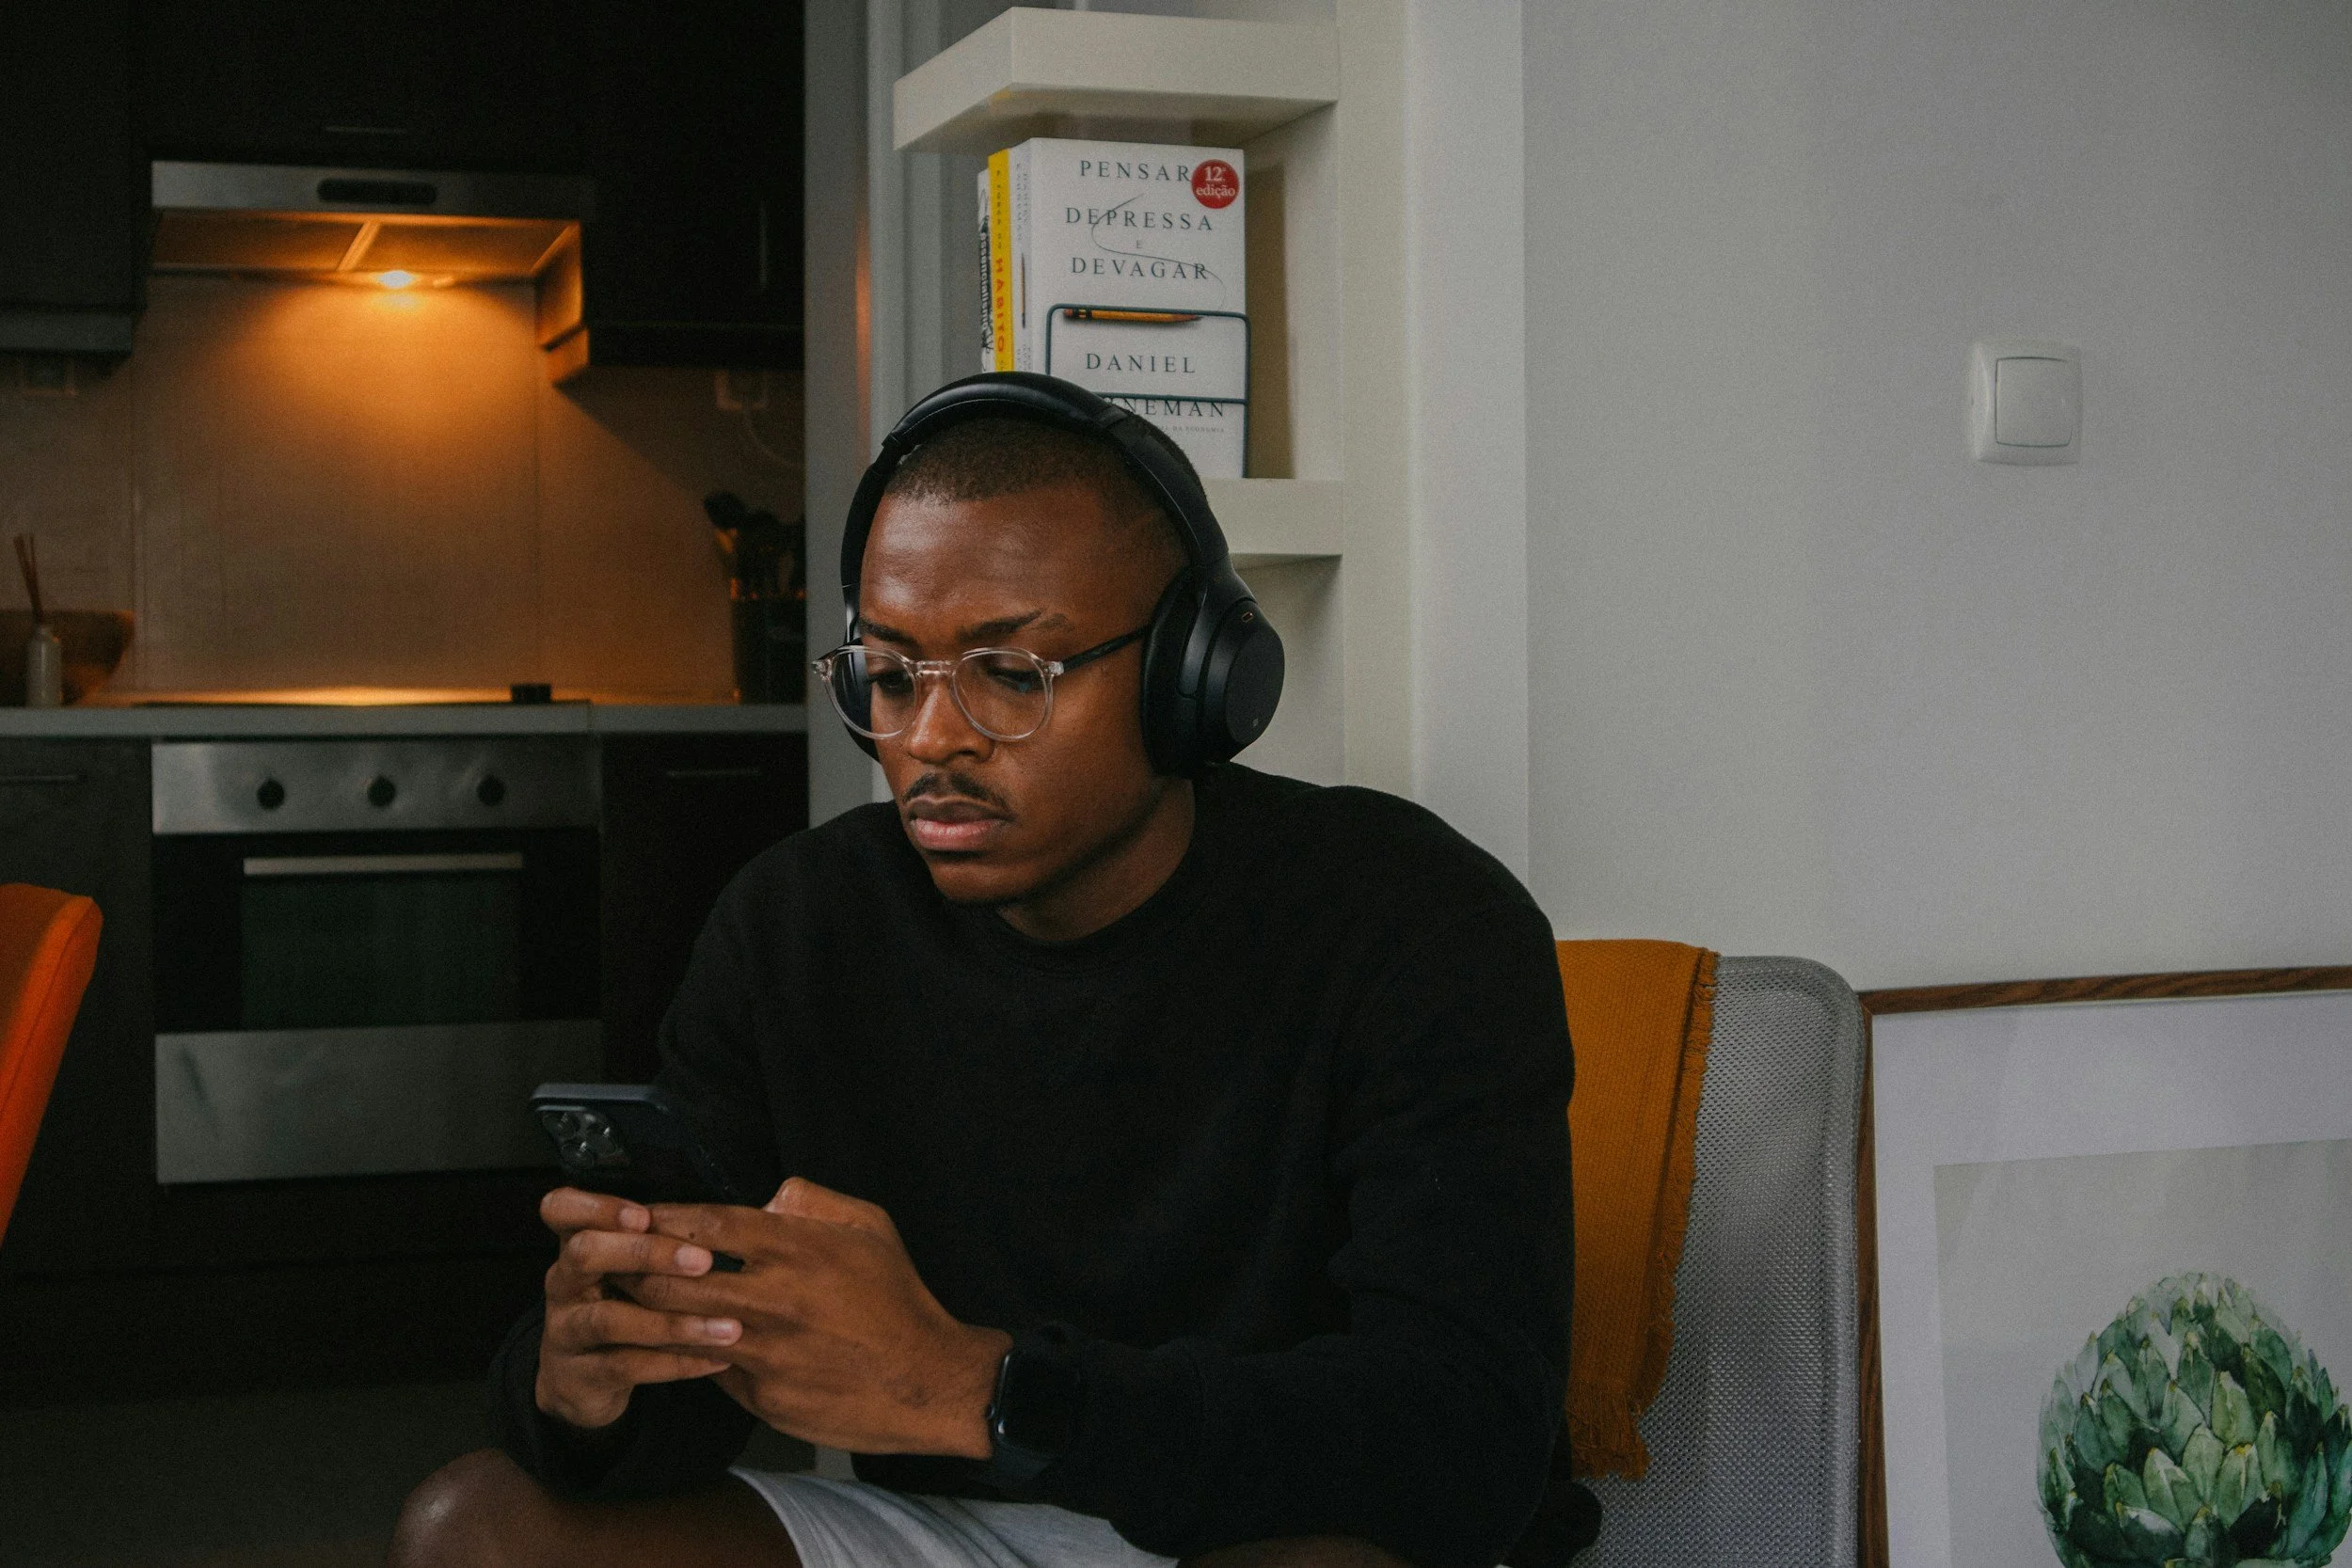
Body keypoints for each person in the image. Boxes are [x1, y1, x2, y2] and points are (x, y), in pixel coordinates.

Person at [393, 374, 1597, 1568]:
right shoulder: (799, 924)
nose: (929, 737)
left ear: (1196, 677)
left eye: (1012, 673)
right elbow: (696, 1407)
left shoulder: (1408, 917)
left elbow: (1460, 1439)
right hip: (960, 1525)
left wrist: (987, 1390)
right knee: (475, 1529)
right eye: (892, 673)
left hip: (1275, 1520)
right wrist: (587, 1387)